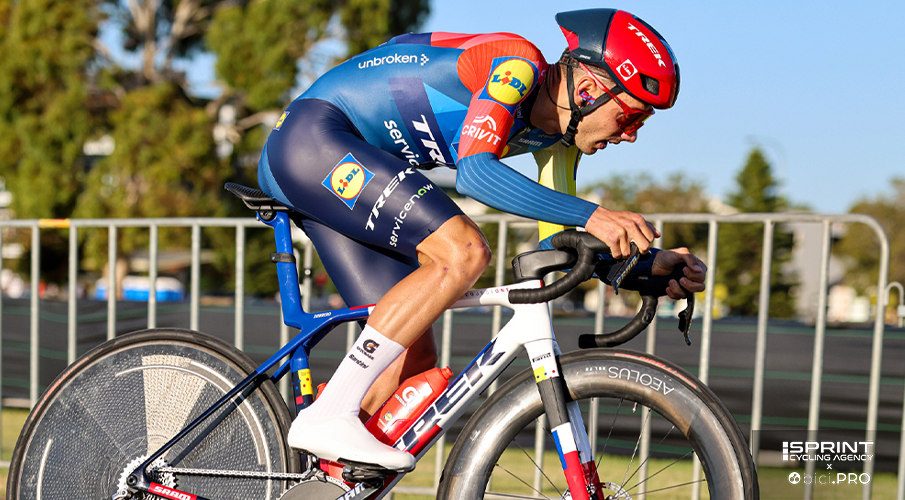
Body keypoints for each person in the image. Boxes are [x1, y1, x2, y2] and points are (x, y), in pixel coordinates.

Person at [256, 8, 707, 471]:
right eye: (630, 117)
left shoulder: (558, 143)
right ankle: (328, 416)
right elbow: (475, 173)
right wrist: (595, 215)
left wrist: (642, 268)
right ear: (588, 90)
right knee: (464, 252)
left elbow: (562, 244)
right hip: (313, 137)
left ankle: (326, 481)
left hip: (347, 168)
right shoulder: (516, 64)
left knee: (409, 362)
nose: (631, 136)